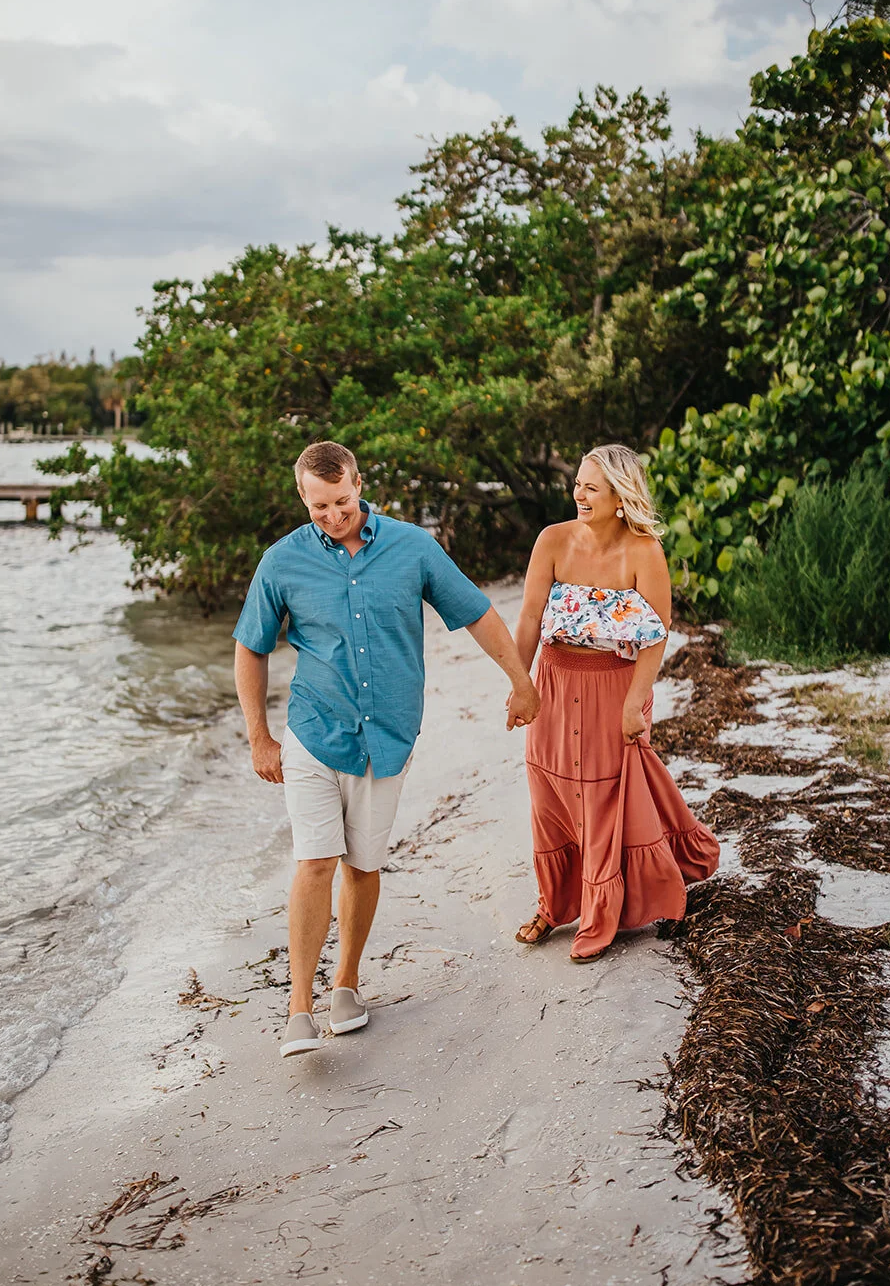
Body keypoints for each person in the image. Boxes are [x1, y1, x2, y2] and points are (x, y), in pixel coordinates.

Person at [233, 440, 541, 1056]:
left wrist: (520, 681)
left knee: (364, 865)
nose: (332, 515)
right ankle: (298, 1008)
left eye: (341, 501)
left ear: (359, 484)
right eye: (319, 506)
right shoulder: (282, 562)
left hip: (388, 735)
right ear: (303, 497)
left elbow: (476, 613)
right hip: (315, 732)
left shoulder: (413, 547)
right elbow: (251, 647)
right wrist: (259, 737)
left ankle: (345, 986)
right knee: (316, 860)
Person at [511, 443, 719, 962]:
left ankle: (601, 914)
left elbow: (657, 633)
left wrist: (636, 703)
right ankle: (553, 904)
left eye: (591, 487)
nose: (579, 494)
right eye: (578, 484)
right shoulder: (552, 540)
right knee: (551, 794)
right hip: (554, 682)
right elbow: (530, 618)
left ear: (620, 497)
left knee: (604, 800)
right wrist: (520, 684)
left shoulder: (643, 551)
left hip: (615, 689)